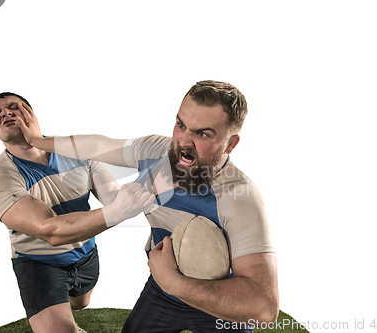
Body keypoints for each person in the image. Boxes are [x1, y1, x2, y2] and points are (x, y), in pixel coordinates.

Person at [16, 81, 279, 333]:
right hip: (162, 293)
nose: (183, 142)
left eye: (202, 134)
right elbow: (97, 146)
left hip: (217, 302)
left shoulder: (239, 197)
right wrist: (38, 140)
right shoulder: (156, 151)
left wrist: (173, 281)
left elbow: (264, 307)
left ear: (231, 143)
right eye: (181, 124)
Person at [0, 92, 155, 333]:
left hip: (85, 253)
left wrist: (152, 182)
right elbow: (50, 231)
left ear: (33, 115)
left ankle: (69, 301)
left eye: (14, 107)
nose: (6, 113)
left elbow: (115, 198)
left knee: (81, 302)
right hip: (38, 262)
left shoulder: (75, 151)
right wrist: (118, 211)